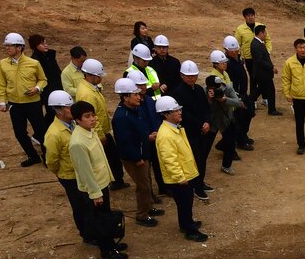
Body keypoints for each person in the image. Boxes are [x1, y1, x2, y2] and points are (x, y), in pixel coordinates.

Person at [69, 99, 127, 259]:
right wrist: (95, 194)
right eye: (87, 116)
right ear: (77, 120)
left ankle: (110, 244)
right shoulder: (78, 142)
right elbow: (85, 171)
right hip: (94, 189)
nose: (93, 118)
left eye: (93, 115)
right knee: (100, 220)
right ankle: (107, 250)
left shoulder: (90, 132)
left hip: (101, 183)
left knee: (105, 216)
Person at [154, 96, 209, 242]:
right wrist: (180, 178)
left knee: (187, 202)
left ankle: (187, 223)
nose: (179, 112)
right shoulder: (166, 135)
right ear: (166, 114)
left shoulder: (173, 129)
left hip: (185, 174)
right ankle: (189, 229)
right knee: (184, 203)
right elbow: (170, 160)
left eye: (179, 109)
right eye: (175, 110)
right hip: (180, 178)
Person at [112, 77, 164, 227]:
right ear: (125, 97)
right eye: (134, 94)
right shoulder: (122, 117)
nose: (139, 96)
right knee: (143, 186)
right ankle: (142, 215)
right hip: (135, 158)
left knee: (147, 181)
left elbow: (138, 132)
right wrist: (136, 158)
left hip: (143, 153)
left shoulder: (135, 109)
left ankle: (148, 207)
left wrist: (147, 137)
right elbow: (124, 142)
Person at [42, 89, 90, 243]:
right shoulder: (54, 134)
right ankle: (87, 235)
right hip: (69, 176)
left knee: (89, 205)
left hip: (82, 173)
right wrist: (60, 172)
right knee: (80, 207)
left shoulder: (74, 124)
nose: (72, 110)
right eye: (68, 108)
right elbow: (51, 160)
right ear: (58, 110)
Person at [74, 58, 126, 189]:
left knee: (113, 157)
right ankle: (114, 181)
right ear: (90, 75)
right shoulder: (87, 94)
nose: (101, 79)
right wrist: (101, 135)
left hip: (102, 129)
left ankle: (117, 179)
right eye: (99, 76)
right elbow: (92, 117)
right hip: (99, 132)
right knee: (109, 158)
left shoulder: (90, 88)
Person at [0, 31, 47, 166]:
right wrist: (2, 101)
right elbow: (1, 84)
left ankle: (48, 156)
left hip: (33, 103)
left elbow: (43, 80)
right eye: (6, 46)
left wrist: (36, 88)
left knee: (41, 132)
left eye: (9, 45)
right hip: (15, 104)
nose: (7, 48)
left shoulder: (34, 63)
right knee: (19, 133)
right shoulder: (3, 64)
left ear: (19, 47)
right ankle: (33, 156)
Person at [172, 59, 214, 198]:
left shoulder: (199, 89)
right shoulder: (178, 93)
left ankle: (200, 182)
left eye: (194, 76)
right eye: (189, 76)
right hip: (189, 132)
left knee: (202, 158)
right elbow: (184, 114)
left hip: (202, 130)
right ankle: (196, 186)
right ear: (182, 76)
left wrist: (207, 122)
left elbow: (206, 108)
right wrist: (201, 124)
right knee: (194, 159)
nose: (192, 78)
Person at [206, 58, 245, 176]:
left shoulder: (227, 89)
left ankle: (226, 165)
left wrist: (225, 99)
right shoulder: (205, 91)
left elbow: (239, 103)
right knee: (205, 146)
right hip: (212, 122)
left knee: (230, 144)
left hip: (226, 119)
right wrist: (208, 99)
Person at [220, 35, 255, 149]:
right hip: (236, 94)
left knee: (248, 113)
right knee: (239, 118)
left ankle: (243, 135)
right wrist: (236, 96)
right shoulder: (227, 64)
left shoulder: (238, 59)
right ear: (226, 50)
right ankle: (240, 140)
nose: (234, 52)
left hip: (243, 93)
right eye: (232, 50)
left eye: (236, 50)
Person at [29, 35, 64, 129]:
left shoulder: (50, 56)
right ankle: (40, 133)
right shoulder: (35, 60)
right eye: (42, 43)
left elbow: (56, 72)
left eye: (46, 43)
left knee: (55, 111)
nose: (45, 45)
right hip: (46, 90)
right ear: (35, 46)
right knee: (52, 112)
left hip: (56, 87)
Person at [249, 23, 280, 115]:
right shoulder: (256, 45)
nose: (265, 34)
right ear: (260, 33)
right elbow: (260, 61)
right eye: (264, 33)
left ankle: (249, 102)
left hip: (262, 73)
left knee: (260, 90)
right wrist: (272, 67)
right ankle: (272, 109)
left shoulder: (257, 43)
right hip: (262, 73)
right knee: (270, 91)